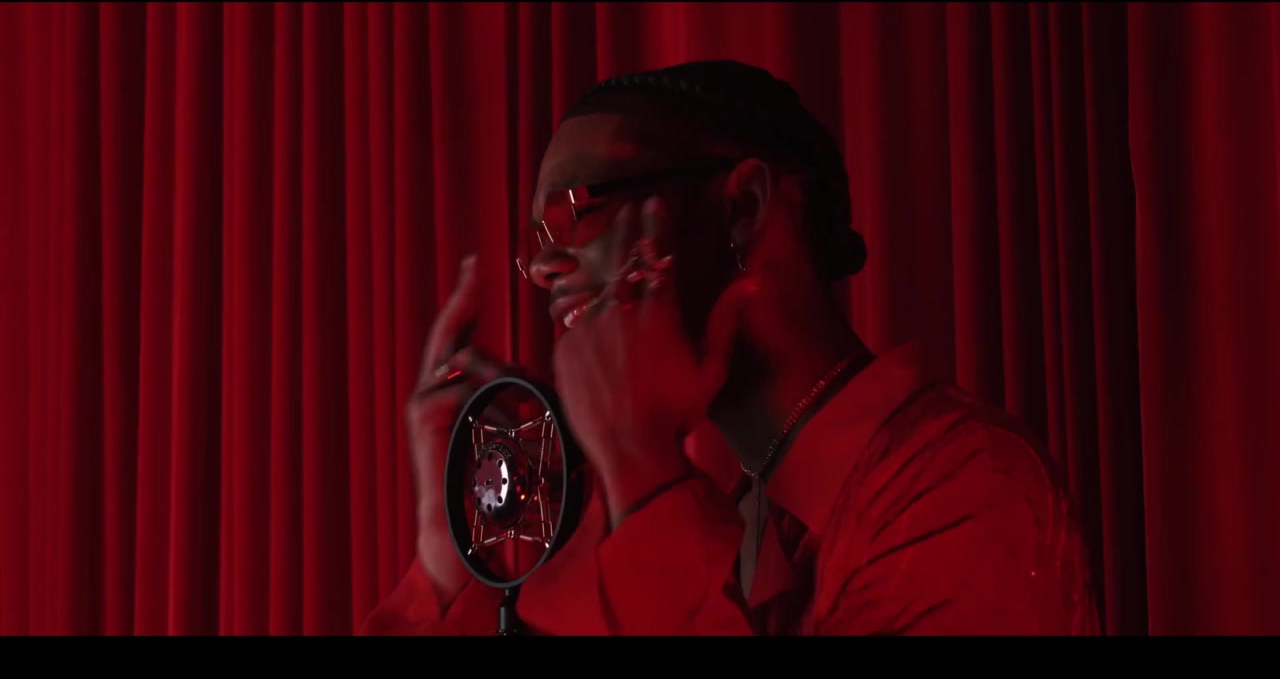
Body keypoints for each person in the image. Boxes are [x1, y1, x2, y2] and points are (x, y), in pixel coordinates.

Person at [361, 60, 1100, 636]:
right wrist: (448, 566)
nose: (547, 268)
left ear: (743, 207)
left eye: (582, 208)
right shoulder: (732, 523)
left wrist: (643, 474)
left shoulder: (966, 490)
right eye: (537, 243)